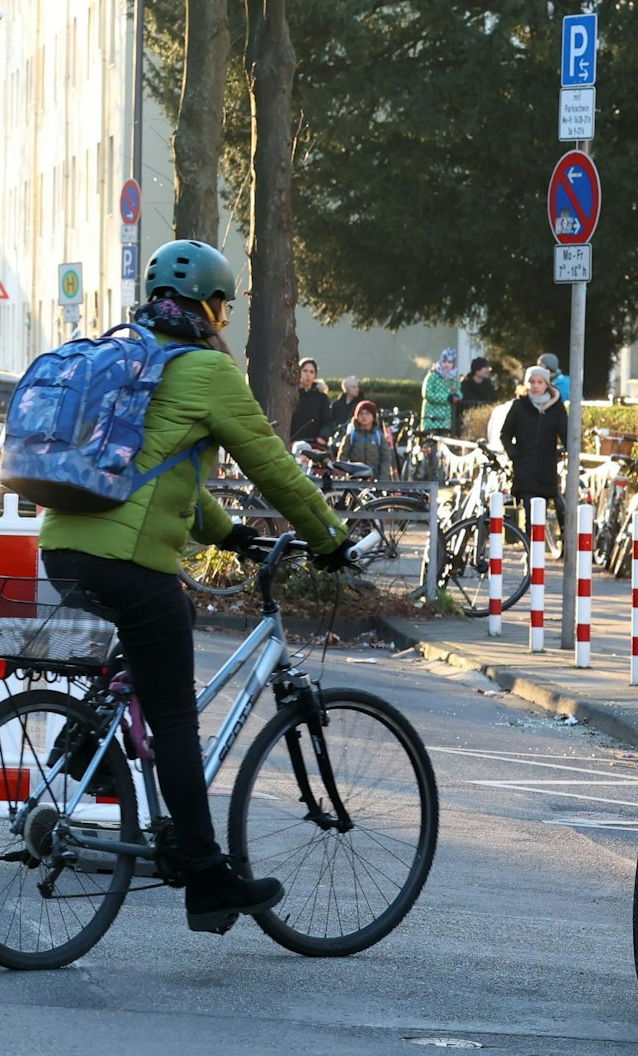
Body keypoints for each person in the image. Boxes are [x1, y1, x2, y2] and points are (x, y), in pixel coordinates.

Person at [39, 239, 352, 934]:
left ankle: (98, 742)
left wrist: (228, 533)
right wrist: (330, 535)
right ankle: (207, 875)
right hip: (125, 560)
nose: (224, 319)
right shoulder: (205, 369)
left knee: (168, 618)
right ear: (212, 305)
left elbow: (155, 472)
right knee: (177, 714)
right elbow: (272, 465)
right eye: (224, 306)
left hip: (64, 546)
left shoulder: (128, 357)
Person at [501, 365, 568, 531]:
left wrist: (567, 450)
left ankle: (537, 548)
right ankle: (530, 549)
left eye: (539, 382)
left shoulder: (556, 408)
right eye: (531, 382)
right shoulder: (519, 406)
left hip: (546, 468)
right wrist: (513, 452)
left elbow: (565, 433)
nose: (535, 385)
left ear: (547, 384)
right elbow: (505, 434)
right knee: (531, 511)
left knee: (541, 511)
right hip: (524, 467)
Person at [335, 399, 394, 478]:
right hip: (354, 479)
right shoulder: (351, 436)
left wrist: (383, 480)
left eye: (367, 413)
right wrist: (341, 479)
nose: (364, 416)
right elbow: (342, 458)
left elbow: (386, 460)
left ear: (373, 417)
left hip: (374, 479)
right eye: (361, 413)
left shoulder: (379, 437)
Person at [288, 357, 333, 446]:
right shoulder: (290, 395)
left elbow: (327, 422)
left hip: (315, 444)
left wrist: (323, 436)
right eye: (305, 371)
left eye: (311, 372)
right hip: (292, 443)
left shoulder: (322, 398)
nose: (308, 374)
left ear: (315, 375)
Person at [417, 348, 460, 436]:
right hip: (431, 418)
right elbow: (427, 394)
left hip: (446, 419)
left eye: (449, 362)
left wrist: (457, 397)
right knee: (431, 440)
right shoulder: (432, 376)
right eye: (444, 361)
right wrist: (446, 398)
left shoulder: (454, 379)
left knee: (444, 442)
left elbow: (459, 391)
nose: (446, 364)